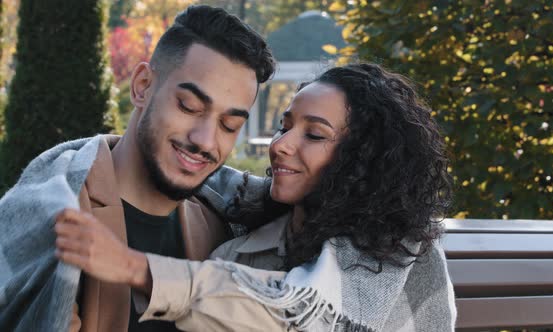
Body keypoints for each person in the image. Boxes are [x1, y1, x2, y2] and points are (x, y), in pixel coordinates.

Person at [56, 63, 457, 331]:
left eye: (313, 135)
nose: (281, 145)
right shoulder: (242, 254)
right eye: (285, 127)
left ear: (365, 159)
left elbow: (302, 316)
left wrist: (134, 267)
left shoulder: (399, 247)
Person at [0, 5, 275, 332]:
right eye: (189, 106)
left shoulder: (228, 230)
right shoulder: (49, 214)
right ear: (142, 86)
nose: (205, 140)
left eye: (229, 126)